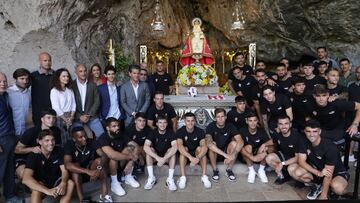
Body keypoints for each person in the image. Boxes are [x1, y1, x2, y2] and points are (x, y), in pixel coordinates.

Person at [288, 120, 349, 200]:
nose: (311, 134)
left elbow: (328, 174)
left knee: (338, 188)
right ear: (305, 132)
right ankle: (317, 186)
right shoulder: (303, 141)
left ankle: (330, 189)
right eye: (308, 131)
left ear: (319, 132)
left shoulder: (330, 147)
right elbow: (301, 161)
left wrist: (323, 196)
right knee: (292, 169)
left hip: (335, 172)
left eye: (315, 131)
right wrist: (318, 173)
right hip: (319, 171)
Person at [22, 129, 74, 203]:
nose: (51, 143)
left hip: (55, 181)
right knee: (36, 189)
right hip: (41, 182)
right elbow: (26, 179)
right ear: (40, 142)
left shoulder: (59, 150)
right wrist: (47, 191)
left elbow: (64, 170)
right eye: (47, 140)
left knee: (70, 183)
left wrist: (63, 182)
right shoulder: (33, 155)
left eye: (53, 140)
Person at [64, 127, 112, 202]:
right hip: (79, 175)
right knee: (75, 168)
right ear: (74, 139)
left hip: (92, 170)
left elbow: (104, 155)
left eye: (85, 135)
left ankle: (104, 196)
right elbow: (67, 165)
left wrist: (98, 169)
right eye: (80, 137)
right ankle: (82, 200)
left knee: (99, 161)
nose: (84, 138)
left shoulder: (92, 141)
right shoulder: (69, 145)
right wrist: (87, 172)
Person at [14, 109, 62, 182]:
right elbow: (16, 150)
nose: (51, 120)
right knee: (23, 175)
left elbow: (56, 147)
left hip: (41, 157)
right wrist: (32, 149)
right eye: (48, 117)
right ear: (42, 119)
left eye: (53, 118)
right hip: (25, 157)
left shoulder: (56, 131)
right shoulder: (31, 132)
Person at [97, 117, 139, 196]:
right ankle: (114, 183)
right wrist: (131, 157)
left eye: (118, 125)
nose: (117, 128)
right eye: (114, 126)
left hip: (121, 162)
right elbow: (112, 155)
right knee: (113, 158)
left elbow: (135, 145)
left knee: (129, 148)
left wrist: (132, 162)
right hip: (109, 168)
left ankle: (128, 176)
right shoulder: (103, 138)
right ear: (107, 128)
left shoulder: (121, 134)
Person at [206, 108, 244, 182]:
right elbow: (209, 144)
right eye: (218, 117)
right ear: (215, 118)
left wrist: (233, 155)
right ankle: (215, 170)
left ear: (226, 117)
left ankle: (229, 170)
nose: (220, 119)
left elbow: (241, 141)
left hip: (227, 152)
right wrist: (226, 156)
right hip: (215, 154)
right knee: (213, 144)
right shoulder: (211, 126)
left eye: (222, 116)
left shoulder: (230, 125)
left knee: (234, 143)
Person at [176, 112, 211, 189]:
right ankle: (183, 177)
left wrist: (197, 158)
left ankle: (204, 176)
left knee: (200, 149)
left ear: (195, 121)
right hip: (186, 155)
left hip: (196, 154)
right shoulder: (180, 131)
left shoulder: (200, 131)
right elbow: (179, 146)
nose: (190, 123)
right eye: (188, 121)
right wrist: (190, 158)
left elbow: (204, 146)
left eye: (192, 120)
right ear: (185, 121)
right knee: (184, 149)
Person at [143, 115, 178, 191]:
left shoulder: (170, 132)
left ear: (167, 123)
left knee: (172, 151)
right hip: (156, 157)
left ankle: (170, 179)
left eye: (164, 122)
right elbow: (145, 146)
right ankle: (151, 177)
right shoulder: (153, 132)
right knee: (150, 149)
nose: (162, 125)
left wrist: (164, 159)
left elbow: (175, 147)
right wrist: (157, 158)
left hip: (167, 157)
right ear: (157, 124)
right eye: (160, 122)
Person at [265, 115, 302, 184]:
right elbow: (273, 141)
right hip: (284, 155)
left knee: (291, 169)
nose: (283, 126)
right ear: (278, 125)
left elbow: (297, 157)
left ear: (290, 124)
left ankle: (298, 180)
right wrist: (263, 145)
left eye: (286, 123)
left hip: (296, 159)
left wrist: (282, 164)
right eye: (281, 124)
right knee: (269, 158)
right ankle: (282, 175)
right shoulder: (278, 134)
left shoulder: (297, 137)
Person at [0, 72, 19, 202]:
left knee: (10, 169)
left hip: (10, 137)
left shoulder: (5, 95)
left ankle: (10, 195)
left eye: (5, 81)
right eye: (0, 81)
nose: (3, 84)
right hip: (1, 138)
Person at [72, 64, 104, 139]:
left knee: (102, 136)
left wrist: (89, 115)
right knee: (77, 138)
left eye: (85, 71)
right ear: (76, 72)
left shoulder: (93, 85)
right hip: (77, 117)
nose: (83, 73)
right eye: (80, 71)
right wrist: (79, 116)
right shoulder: (71, 86)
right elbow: (70, 104)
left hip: (91, 116)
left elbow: (97, 101)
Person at [240, 113, 273, 183]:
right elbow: (240, 147)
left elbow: (272, 142)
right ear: (247, 121)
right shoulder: (243, 130)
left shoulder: (261, 130)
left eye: (255, 120)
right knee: (248, 147)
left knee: (266, 148)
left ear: (257, 121)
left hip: (258, 154)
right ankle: (252, 171)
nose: (253, 123)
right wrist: (251, 157)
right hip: (246, 156)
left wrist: (264, 144)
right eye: (250, 121)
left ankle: (261, 170)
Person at [50, 68, 76, 145]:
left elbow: (74, 104)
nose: (66, 78)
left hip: (70, 117)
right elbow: (56, 107)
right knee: (63, 138)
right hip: (60, 117)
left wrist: (71, 117)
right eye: (63, 76)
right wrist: (65, 119)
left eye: (67, 76)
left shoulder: (70, 90)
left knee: (71, 137)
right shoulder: (54, 91)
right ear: (58, 77)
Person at [31, 52, 54, 126]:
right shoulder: (33, 76)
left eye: (49, 60)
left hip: (53, 112)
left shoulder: (56, 75)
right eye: (45, 60)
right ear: (39, 61)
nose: (47, 62)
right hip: (38, 112)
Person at [8, 68, 31, 136]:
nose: (25, 81)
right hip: (10, 132)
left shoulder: (28, 93)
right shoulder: (8, 92)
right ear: (15, 79)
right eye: (22, 78)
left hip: (24, 130)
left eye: (27, 79)